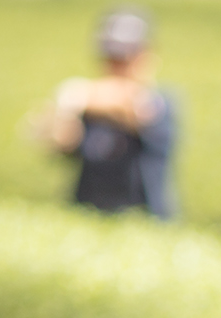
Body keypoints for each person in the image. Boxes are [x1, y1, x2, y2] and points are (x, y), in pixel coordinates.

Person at [37, 7, 178, 220]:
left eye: (126, 57)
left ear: (146, 56)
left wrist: (76, 96)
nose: (118, 65)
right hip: (86, 214)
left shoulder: (162, 103)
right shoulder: (89, 107)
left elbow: (137, 109)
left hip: (144, 218)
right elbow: (60, 143)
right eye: (111, 56)